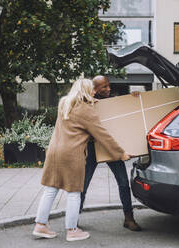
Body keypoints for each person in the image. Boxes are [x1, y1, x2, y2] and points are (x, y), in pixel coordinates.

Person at [32, 78, 131, 242]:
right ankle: (72, 230)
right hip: (72, 155)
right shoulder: (86, 110)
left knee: (50, 189)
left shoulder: (64, 103)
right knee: (74, 192)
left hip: (54, 151)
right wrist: (120, 154)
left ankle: (40, 225)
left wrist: (92, 102)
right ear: (85, 91)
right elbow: (102, 135)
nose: (94, 91)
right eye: (91, 89)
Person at [80, 75, 142, 231]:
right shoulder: (87, 103)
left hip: (111, 147)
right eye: (104, 87)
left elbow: (130, 112)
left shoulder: (115, 101)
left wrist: (135, 98)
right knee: (83, 184)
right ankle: (74, 219)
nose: (108, 89)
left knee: (123, 182)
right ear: (95, 89)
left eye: (108, 86)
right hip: (93, 148)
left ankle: (129, 218)